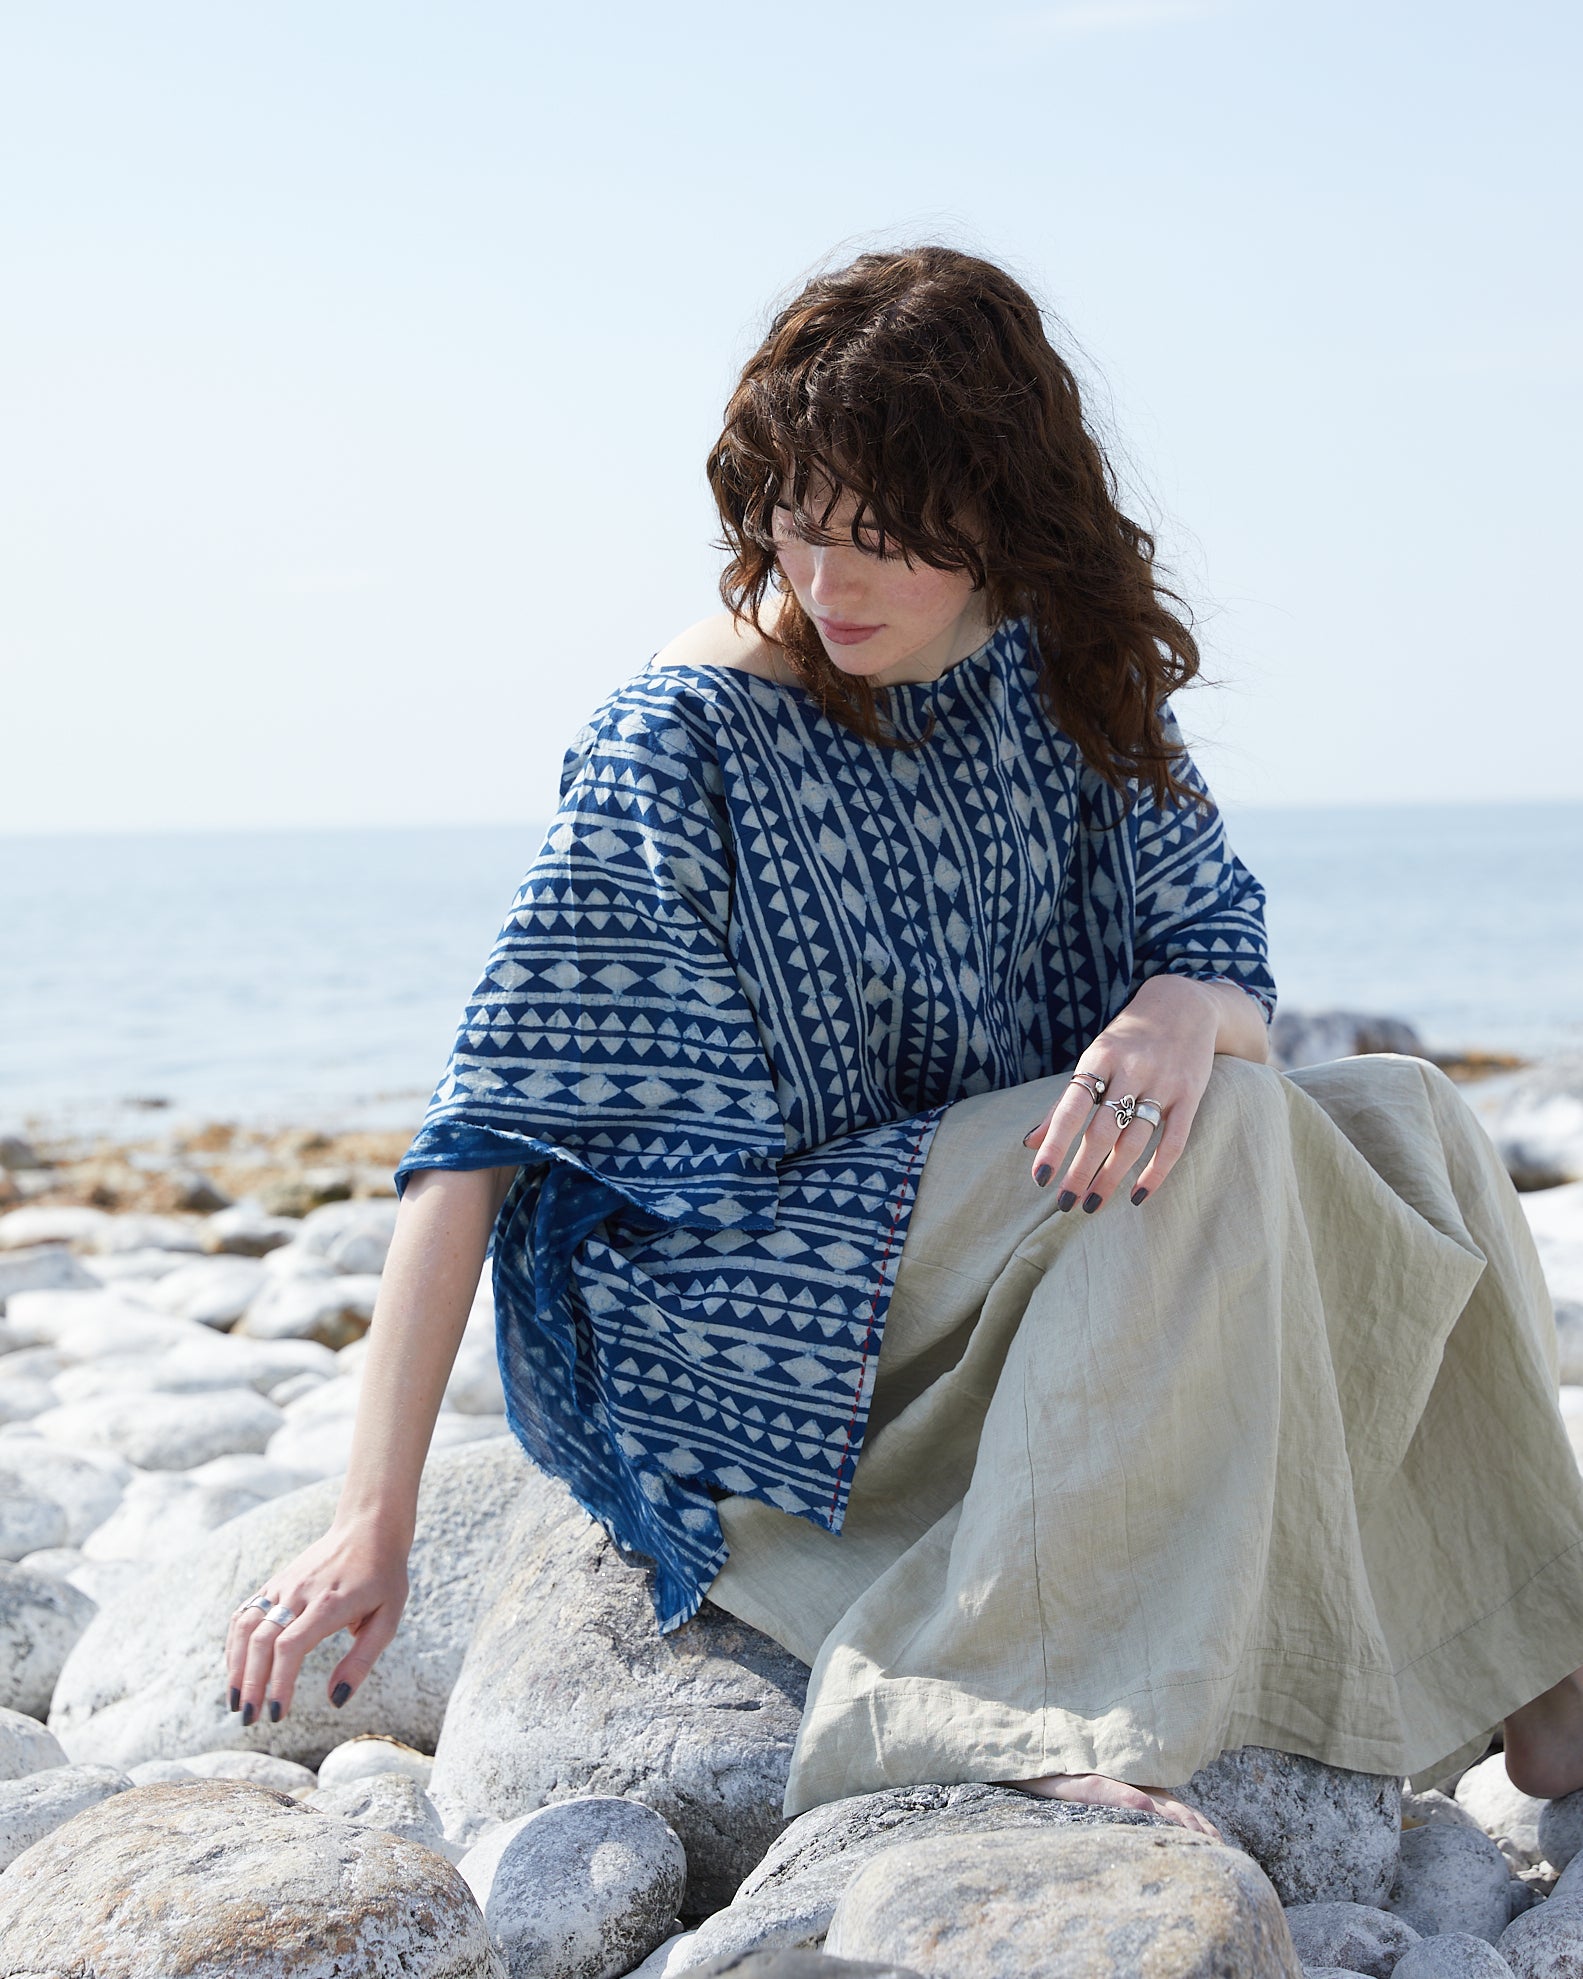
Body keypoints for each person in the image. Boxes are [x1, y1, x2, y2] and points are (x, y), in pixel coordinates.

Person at [225, 246, 1583, 1835]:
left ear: (1002, 513)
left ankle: (1549, 1676)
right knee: (1224, 1130)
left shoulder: (1064, 675)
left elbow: (1225, 969)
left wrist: (1173, 1009)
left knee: (1403, 1112)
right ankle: (999, 1690)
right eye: (797, 523)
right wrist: (371, 1521)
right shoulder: (684, 737)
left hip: (987, 1232)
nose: (829, 581)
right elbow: (478, 1138)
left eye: (882, 539)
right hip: (734, 1299)